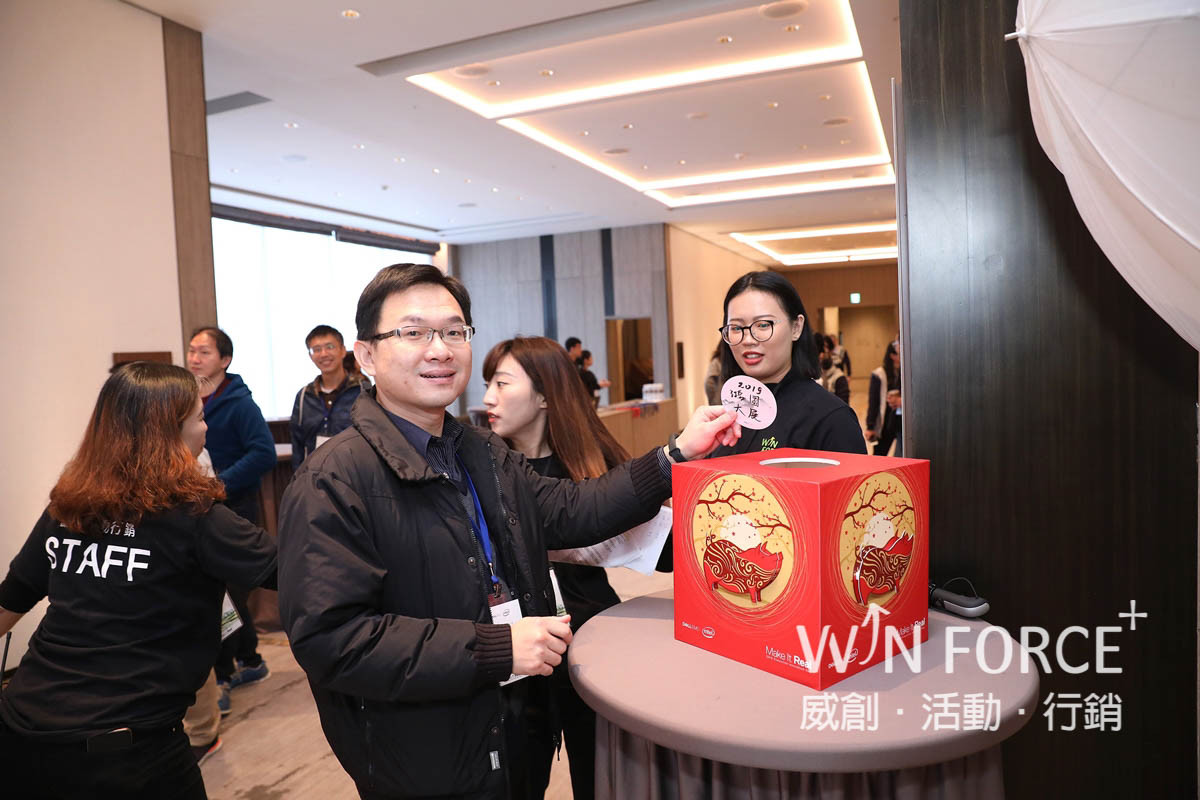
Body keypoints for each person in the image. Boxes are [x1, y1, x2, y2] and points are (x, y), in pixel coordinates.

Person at [276, 263, 737, 800]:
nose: (440, 350)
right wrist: (496, 648)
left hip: (515, 736)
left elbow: (573, 509)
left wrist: (673, 455)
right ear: (367, 355)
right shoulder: (333, 480)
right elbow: (333, 640)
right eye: (414, 332)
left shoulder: (481, 451)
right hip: (424, 761)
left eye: (454, 331)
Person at [0, 362, 277, 799]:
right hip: (127, 755)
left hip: (22, 731)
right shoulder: (197, 517)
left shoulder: (70, 504)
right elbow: (297, 574)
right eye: (199, 418)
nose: (205, 429)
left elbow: (11, 598)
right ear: (168, 434)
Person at [481, 336, 635, 799]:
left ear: (545, 395)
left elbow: (662, 550)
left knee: (599, 778)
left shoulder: (595, 465)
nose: (487, 397)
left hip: (591, 642)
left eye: (502, 383)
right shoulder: (482, 470)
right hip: (518, 652)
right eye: (488, 383)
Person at [186, 326, 276, 711]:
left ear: (225, 360)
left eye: (204, 352)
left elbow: (263, 453)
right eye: (191, 351)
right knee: (224, 595)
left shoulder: (239, 403)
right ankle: (250, 660)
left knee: (226, 596)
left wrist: (219, 484)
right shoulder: (186, 398)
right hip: (196, 508)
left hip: (232, 508)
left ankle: (223, 676)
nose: (194, 358)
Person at [708, 271, 866, 457]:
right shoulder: (724, 415)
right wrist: (684, 451)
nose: (748, 339)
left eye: (763, 324)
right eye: (736, 327)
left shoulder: (832, 418)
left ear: (796, 327)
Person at [289, 324, 366, 469]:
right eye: (316, 349)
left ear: (343, 350)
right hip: (314, 474)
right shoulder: (304, 395)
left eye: (330, 347)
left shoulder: (362, 391)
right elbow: (297, 443)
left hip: (355, 473)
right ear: (310, 355)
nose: (323, 354)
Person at [867, 339, 903, 456]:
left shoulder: (904, 371)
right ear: (892, 355)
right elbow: (873, 402)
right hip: (884, 423)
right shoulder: (879, 374)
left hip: (899, 421)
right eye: (898, 350)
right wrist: (870, 426)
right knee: (879, 456)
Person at [818, 334, 851, 404]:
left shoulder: (839, 378)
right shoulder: (811, 375)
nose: (822, 353)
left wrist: (849, 374)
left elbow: (843, 406)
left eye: (826, 347)